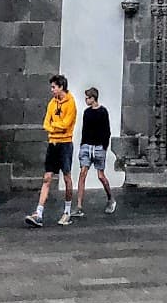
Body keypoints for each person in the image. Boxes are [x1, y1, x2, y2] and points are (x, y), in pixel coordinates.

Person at [25, 73, 78, 228]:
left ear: (61, 87)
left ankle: (67, 211)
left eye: (54, 87)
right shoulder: (51, 103)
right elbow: (46, 124)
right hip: (53, 143)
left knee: (67, 177)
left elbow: (66, 125)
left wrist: (55, 126)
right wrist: (55, 127)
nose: (52, 90)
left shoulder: (71, 103)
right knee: (47, 177)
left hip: (65, 144)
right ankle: (38, 213)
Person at [73, 86, 116, 218]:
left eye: (87, 98)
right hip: (87, 146)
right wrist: (83, 145)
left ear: (93, 98)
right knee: (82, 174)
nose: (86, 100)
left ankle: (111, 199)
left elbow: (106, 131)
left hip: (98, 147)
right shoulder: (87, 112)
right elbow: (85, 130)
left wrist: (103, 146)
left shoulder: (103, 112)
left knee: (100, 176)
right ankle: (79, 206)